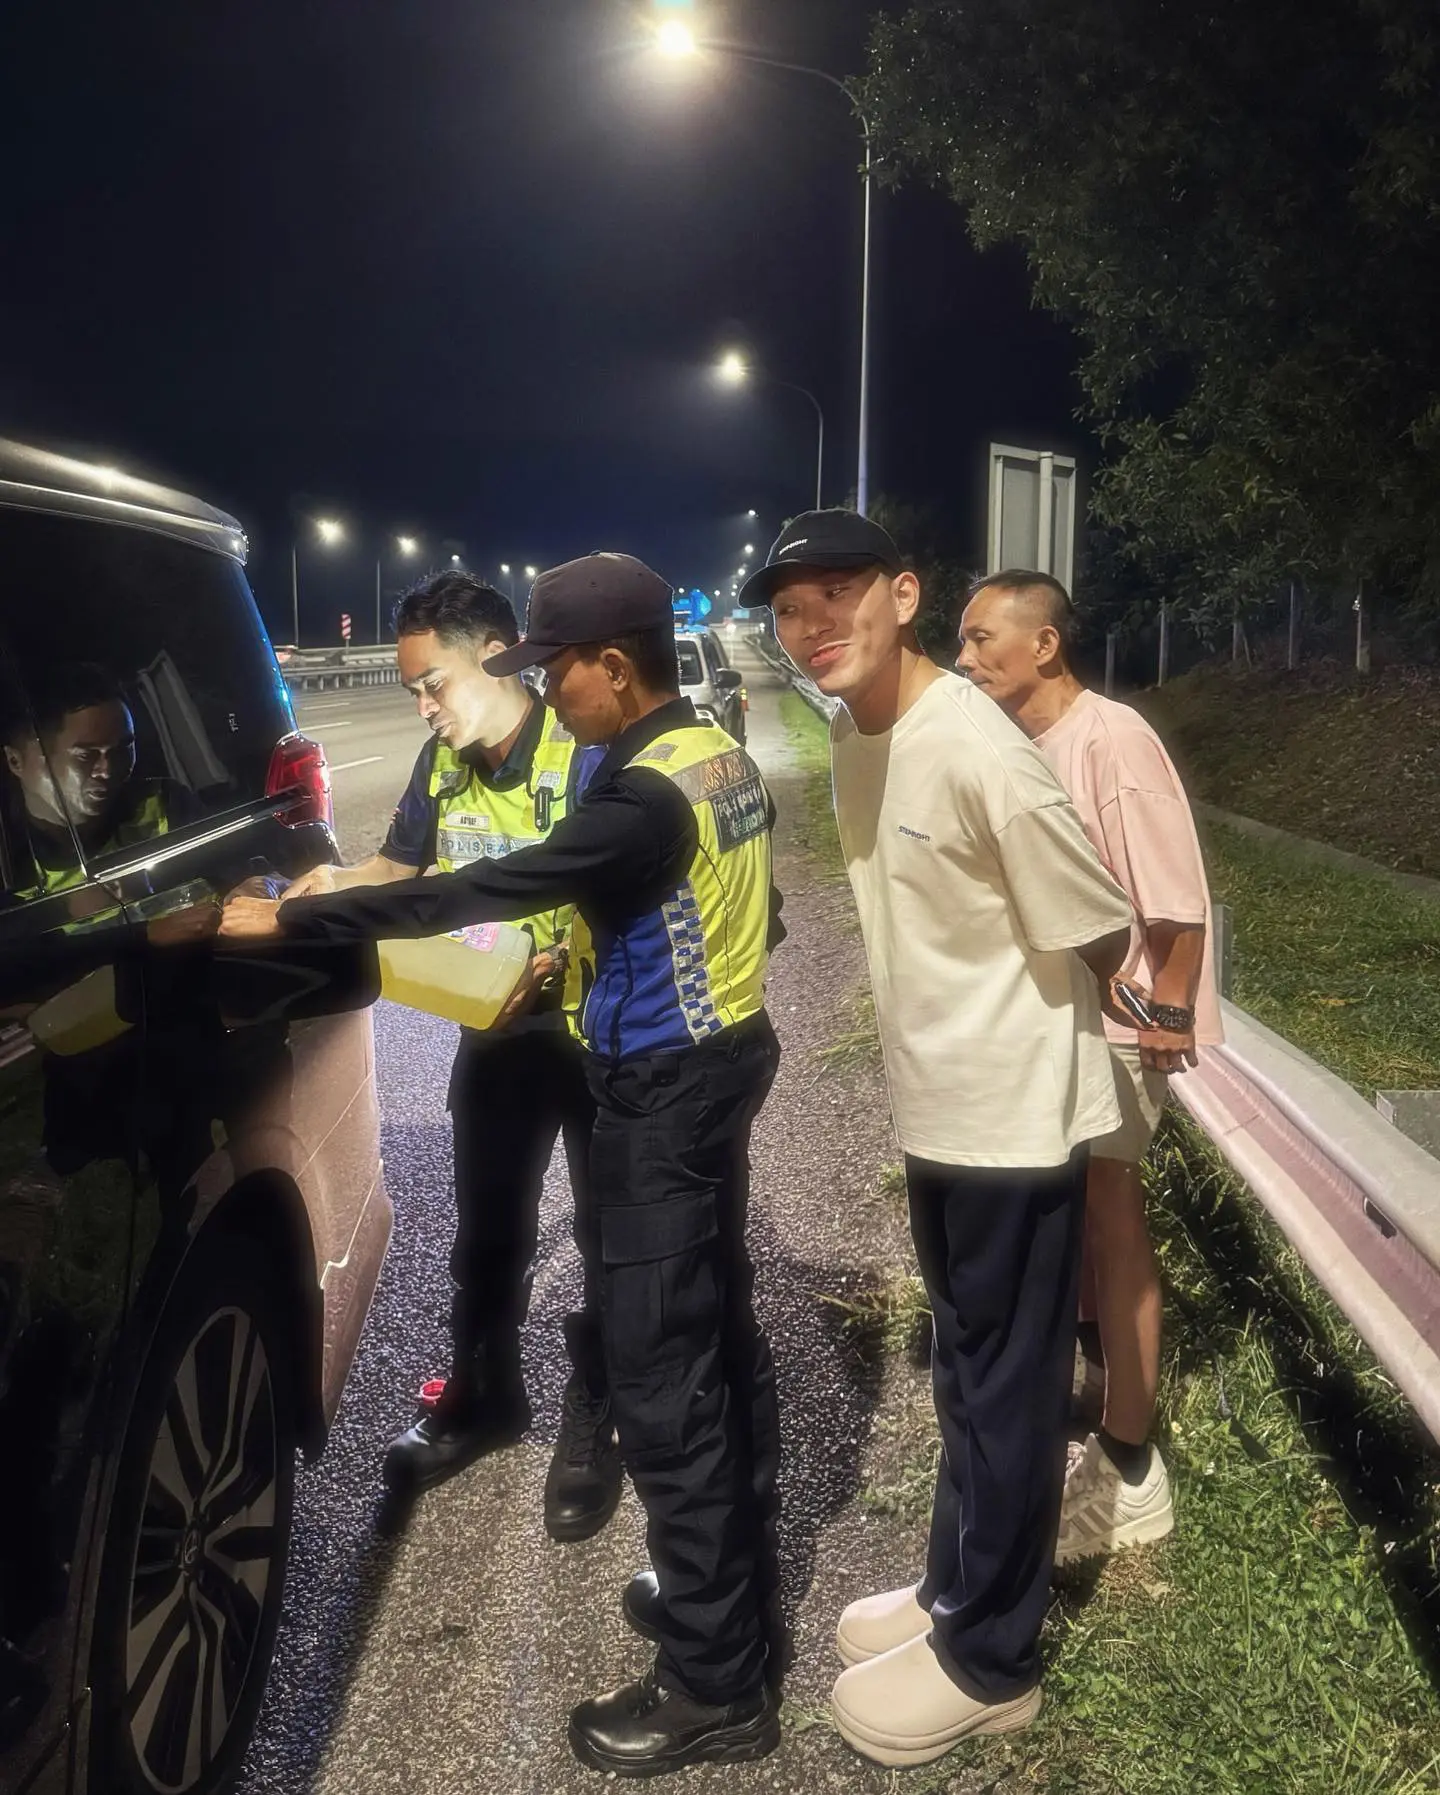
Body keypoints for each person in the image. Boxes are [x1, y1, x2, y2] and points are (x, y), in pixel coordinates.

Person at [221, 553, 787, 1777]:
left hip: (655, 1092)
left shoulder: (634, 792)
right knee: (704, 1341)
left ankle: (717, 1682)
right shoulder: (713, 756)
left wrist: (304, 913)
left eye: (560, 668)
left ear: (611, 667)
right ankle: (716, 1603)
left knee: (665, 1385)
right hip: (715, 1060)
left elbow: (487, 887)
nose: (553, 692)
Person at [752, 510, 1135, 1771]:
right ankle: (950, 1590)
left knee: (1010, 1392)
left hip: (1016, 1118)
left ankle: (994, 1660)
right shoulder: (862, 732)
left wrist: (1039, 1043)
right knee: (966, 1378)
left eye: (837, 596)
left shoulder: (975, 747)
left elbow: (1101, 925)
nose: (812, 628)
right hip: (938, 1112)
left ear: (905, 595)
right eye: (789, 609)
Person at [276, 571, 620, 1539]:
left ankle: (596, 1414)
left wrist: (562, 959)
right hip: (495, 1034)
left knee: (607, 1240)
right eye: (413, 690)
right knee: (488, 1236)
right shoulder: (443, 762)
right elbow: (399, 873)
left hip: (596, 1039)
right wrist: (328, 884)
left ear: (502, 657)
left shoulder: (585, 751)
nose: (423, 706)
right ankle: (483, 1395)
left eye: (435, 683)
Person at [958, 570, 1222, 1563]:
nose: (966, 657)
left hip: (1123, 1020)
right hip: (1063, 1022)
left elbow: (1177, 898)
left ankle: (1129, 1454)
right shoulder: (1029, 741)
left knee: (1114, 1220)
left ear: (1044, 646)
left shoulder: (1111, 738)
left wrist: (1165, 1010)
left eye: (984, 639)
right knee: (1076, 1215)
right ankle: (1100, 1383)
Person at [1, 662, 179, 903]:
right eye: (86, 755)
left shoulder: (163, 803)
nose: (108, 770)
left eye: (123, 749)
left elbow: (230, 873)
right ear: (15, 761)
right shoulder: (9, 865)